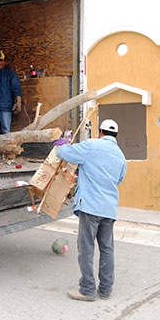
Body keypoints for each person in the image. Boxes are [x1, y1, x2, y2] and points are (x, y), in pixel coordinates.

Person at [56, 119, 127, 301]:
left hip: (91, 207)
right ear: (116, 136)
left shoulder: (91, 146)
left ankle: (87, 289)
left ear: (100, 132)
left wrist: (63, 143)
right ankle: (105, 290)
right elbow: (119, 179)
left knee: (86, 249)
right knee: (107, 249)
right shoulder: (120, 155)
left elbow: (63, 153)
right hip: (109, 209)